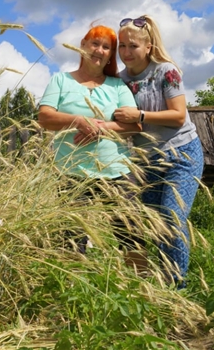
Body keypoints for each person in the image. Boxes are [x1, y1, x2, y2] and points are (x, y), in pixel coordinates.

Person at [38, 24, 144, 259]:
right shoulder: (61, 81)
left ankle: (139, 290)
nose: (99, 50)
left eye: (106, 47)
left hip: (117, 172)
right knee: (72, 242)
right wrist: (78, 120)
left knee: (131, 237)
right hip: (71, 174)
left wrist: (100, 129)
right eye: (95, 43)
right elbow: (45, 117)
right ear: (83, 46)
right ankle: (72, 291)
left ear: (110, 55)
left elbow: (133, 125)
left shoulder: (117, 86)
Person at [114, 15, 204, 288]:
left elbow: (178, 116)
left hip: (182, 154)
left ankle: (178, 290)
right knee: (156, 227)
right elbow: (125, 125)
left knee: (170, 219)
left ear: (148, 47)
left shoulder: (166, 71)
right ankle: (162, 289)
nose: (126, 53)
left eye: (133, 46)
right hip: (149, 162)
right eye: (122, 46)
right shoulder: (119, 81)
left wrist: (139, 114)